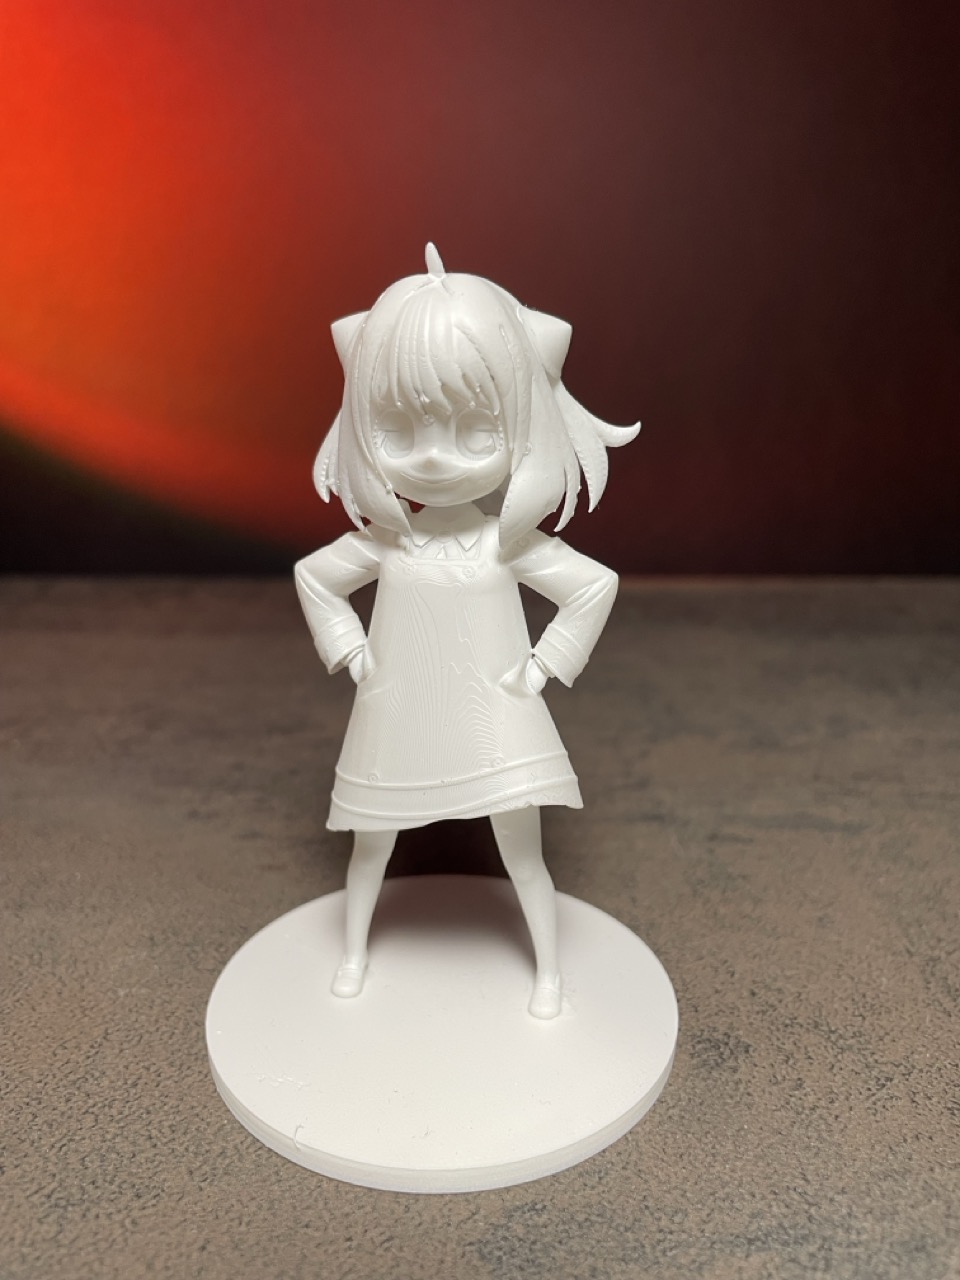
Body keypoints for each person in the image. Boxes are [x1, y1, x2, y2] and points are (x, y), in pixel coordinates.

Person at [295, 245, 639, 1018]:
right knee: (371, 846)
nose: (434, 459)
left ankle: (548, 971)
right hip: (398, 714)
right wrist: (353, 654)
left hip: (495, 719)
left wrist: (543, 667)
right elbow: (317, 578)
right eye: (398, 430)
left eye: (476, 434)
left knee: (523, 853)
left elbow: (593, 587)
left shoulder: (504, 544)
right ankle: (353, 952)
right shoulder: (390, 542)